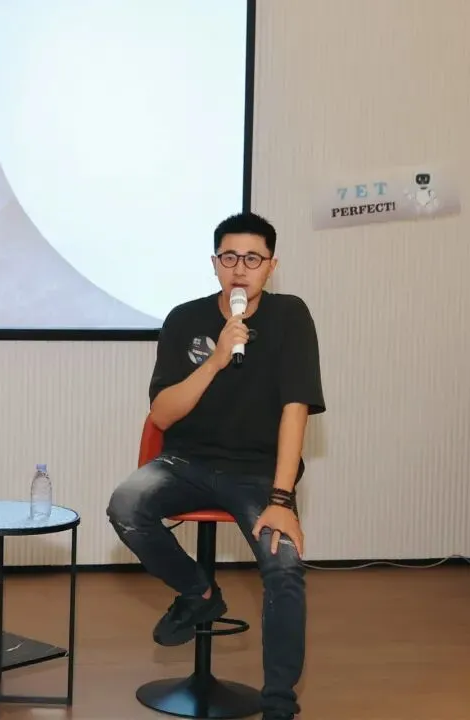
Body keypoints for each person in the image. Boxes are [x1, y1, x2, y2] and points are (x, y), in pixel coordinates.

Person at [106, 212, 325, 720]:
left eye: (253, 259)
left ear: (271, 266)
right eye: (229, 257)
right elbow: (162, 414)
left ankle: (279, 704)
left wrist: (282, 499)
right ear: (214, 263)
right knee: (126, 505)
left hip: (258, 474)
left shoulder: (291, 317)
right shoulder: (185, 319)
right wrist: (217, 358)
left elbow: (296, 409)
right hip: (185, 461)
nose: (240, 269)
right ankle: (198, 590)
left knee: (284, 566)